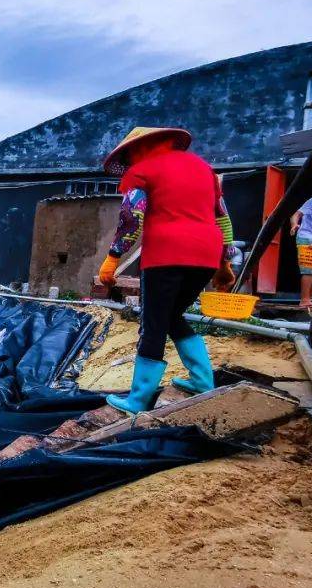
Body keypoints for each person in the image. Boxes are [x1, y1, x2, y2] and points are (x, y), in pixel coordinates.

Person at [96, 126, 236, 414]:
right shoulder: (204, 169)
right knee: (173, 316)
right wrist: (225, 262)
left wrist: (113, 257)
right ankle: (202, 380)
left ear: (137, 149)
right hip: (206, 255)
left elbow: (131, 218)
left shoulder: (140, 171)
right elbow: (222, 217)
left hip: (166, 254)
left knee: (154, 322)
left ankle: (138, 400)